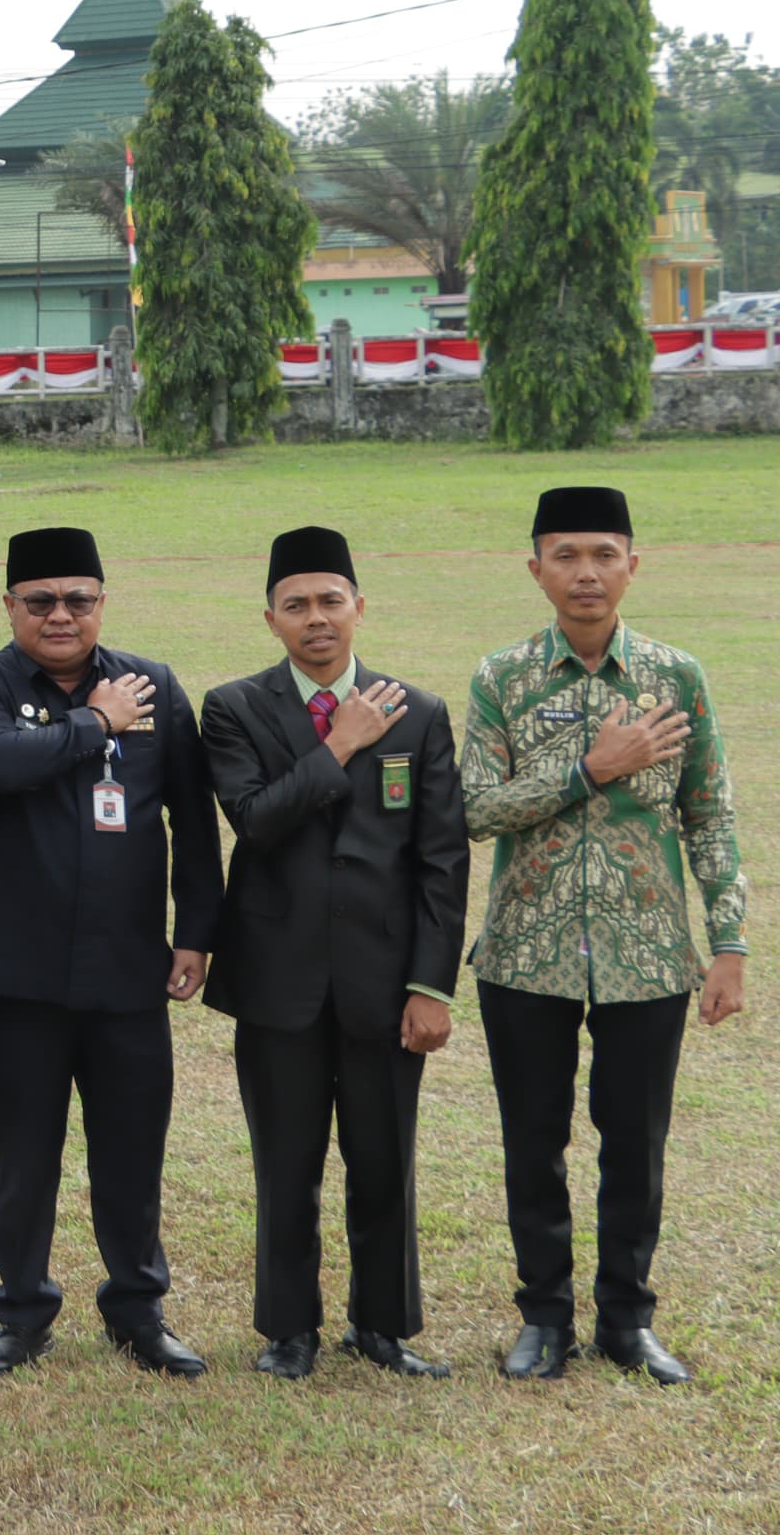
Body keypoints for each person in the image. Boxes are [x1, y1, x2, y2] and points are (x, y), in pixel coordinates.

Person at [465, 486, 747, 1386]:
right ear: (536, 566)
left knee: (637, 1140)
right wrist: (590, 769)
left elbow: (711, 815)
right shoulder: (501, 677)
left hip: (650, 953)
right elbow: (471, 810)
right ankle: (544, 1320)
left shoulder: (676, 677)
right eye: (566, 554)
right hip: (525, 954)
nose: (586, 572)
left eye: (604, 553)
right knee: (532, 1139)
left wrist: (730, 943)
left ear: (633, 563)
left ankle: (628, 1321)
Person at [0, 527, 222, 1378]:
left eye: (79, 600)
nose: (60, 616)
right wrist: (93, 721)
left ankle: (138, 1310)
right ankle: (23, 1313)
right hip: (18, 970)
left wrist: (196, 930)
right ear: (9, 607)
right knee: (23, 1155)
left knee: (132, 1151)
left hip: (128, 966)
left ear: (102, 602)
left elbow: (193, 819)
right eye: (41, 601)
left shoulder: (155, 685)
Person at [199, 527, 469, 1382]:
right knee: (287, 1163)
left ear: (359, 607)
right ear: (270, 618)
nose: (316, 618)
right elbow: (255, 819)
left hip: (386, 985)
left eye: (330, 600)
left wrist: (431, 985)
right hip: (278, 981)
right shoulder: (234, 708)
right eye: (296, 605)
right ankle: (289, 1330)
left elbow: (441, 859)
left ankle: (384, 1326)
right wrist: (341, 743)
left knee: (384, 1158)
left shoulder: (418, 712)